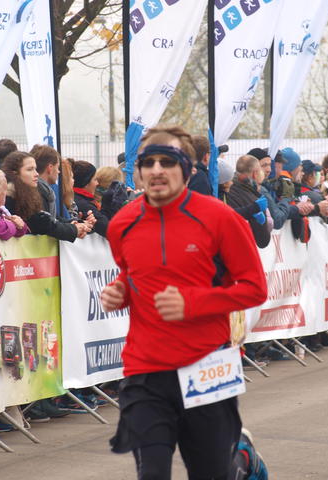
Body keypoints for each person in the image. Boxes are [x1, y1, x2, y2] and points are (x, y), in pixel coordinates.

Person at [101, 125, 269, 480]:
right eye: (148, 162)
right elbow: (133, 274)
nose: (157, 170)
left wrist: (192, 303)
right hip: (145, 370)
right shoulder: (122, 224)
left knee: (212, 473)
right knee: (152, 474)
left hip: (206, 364)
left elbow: (254, 289)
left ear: (188, 170)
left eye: (168, 161)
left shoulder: (220, 217)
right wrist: (120, 291)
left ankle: (242, 461)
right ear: (138, 171)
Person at [3, 151, 89, 241]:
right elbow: (40, 223)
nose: (36, 174)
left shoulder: (28, 193)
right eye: (30, 169)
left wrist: (75, 223)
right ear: (14, 173)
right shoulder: (9, 197)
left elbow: (49, 218)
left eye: (35, 169)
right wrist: (73, 229)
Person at [226, 155, 272, 248]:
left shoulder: (228, 189)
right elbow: (263, 240)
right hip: (243, 248)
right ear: (255, 173)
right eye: (261, 169)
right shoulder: (254, 200)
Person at [72, 160, 108, 237]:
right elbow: (107, 227)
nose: (97, 183)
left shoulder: (79, 198)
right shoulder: (83, 204)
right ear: (86, 183)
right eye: (95, 179)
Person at [31, 144, 61, 218]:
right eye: (57, 167)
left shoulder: (44, 190)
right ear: (50, 168)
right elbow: (48, 223)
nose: (59, 172)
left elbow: (56, 219)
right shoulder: (41, 193)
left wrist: (74, 223)